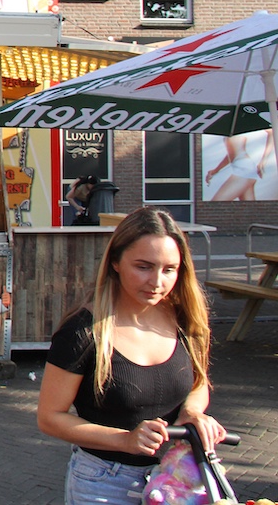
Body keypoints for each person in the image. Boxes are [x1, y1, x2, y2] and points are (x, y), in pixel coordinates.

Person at [37, 207, 227, 505]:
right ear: (115, 261)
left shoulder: (185, 319)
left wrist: (191, 412)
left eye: (169, 270)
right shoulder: (83, 332)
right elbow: (50, 418)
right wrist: (124, 440)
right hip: (103, 483)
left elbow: (198, 383)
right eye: (143, 267)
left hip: (176, 478)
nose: (157, 282)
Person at [204, 133, 274, 202]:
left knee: (216, 203)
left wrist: (263, 161)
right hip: (245, 169)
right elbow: (231, 155)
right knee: (250, 210)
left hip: (244, 170)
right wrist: (215, 170)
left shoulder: (242, 126)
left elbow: (271, 132)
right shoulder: (231, 129)